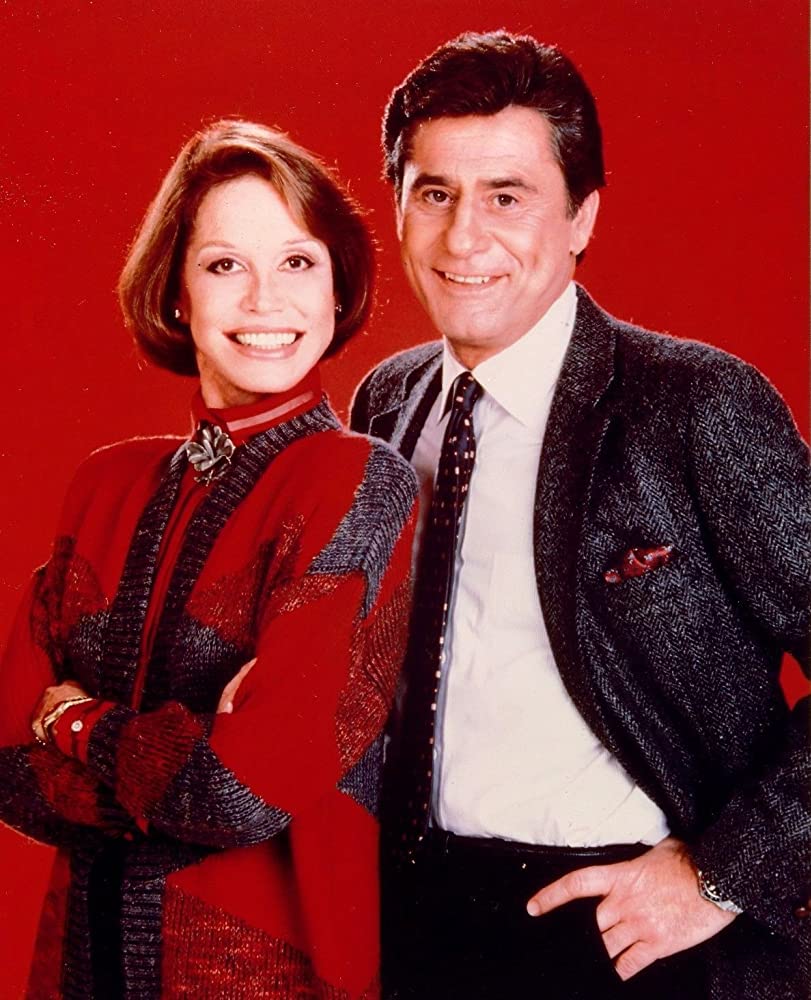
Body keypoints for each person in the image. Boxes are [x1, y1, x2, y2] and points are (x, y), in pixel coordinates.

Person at [350, 30, 810, 1000]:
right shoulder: (386, 403)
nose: (462, 239)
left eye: (506, 197)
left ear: (581, 216)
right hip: (413, 921)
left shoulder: (693, 404)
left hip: (630, 934)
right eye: (434, 194)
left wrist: (723, 873)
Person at [0, 118, 418, 999]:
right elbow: (5, 771)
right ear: (177, 293)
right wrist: (176, 751)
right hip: (76, 968)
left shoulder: (354, 480)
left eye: (297, 262)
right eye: (226, 265)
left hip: (271, 975)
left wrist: (71, 722)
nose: (266, 300)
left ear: (338, 287)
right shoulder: (106, 482)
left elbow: (238, 793)